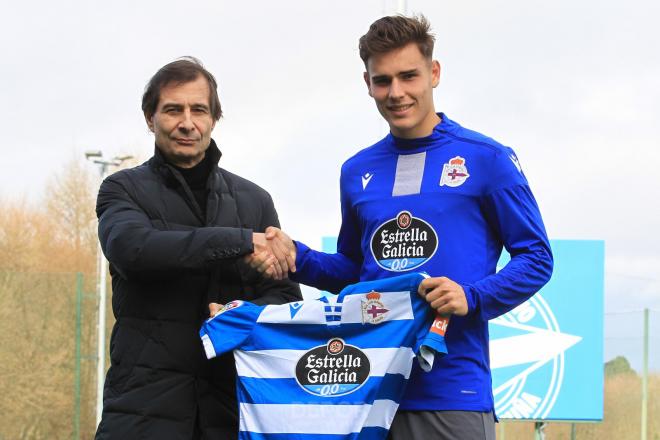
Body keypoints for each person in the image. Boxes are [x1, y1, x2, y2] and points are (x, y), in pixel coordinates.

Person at [255, 15, 553, 440]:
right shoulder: (356, 170)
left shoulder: (487, 158)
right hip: (366, 389)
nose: (396, 93)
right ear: (367, 82)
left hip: (450, 392)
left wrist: (472, 296)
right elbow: (353, 271)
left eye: (409, 76)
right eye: (383, 80)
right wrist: (295, 257)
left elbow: (538, 257)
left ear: (434, 73)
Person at [94, 57, 301, 440]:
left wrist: (245, 314)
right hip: (142, 414)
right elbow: (133, 250)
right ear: (149, 117)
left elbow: (285, 298)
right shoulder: (121, 189)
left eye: (199, 110)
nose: (187, 123)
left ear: (213, 119)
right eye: (173, 110)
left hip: (233, 412)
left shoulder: (255, 201)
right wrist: (240, 241)